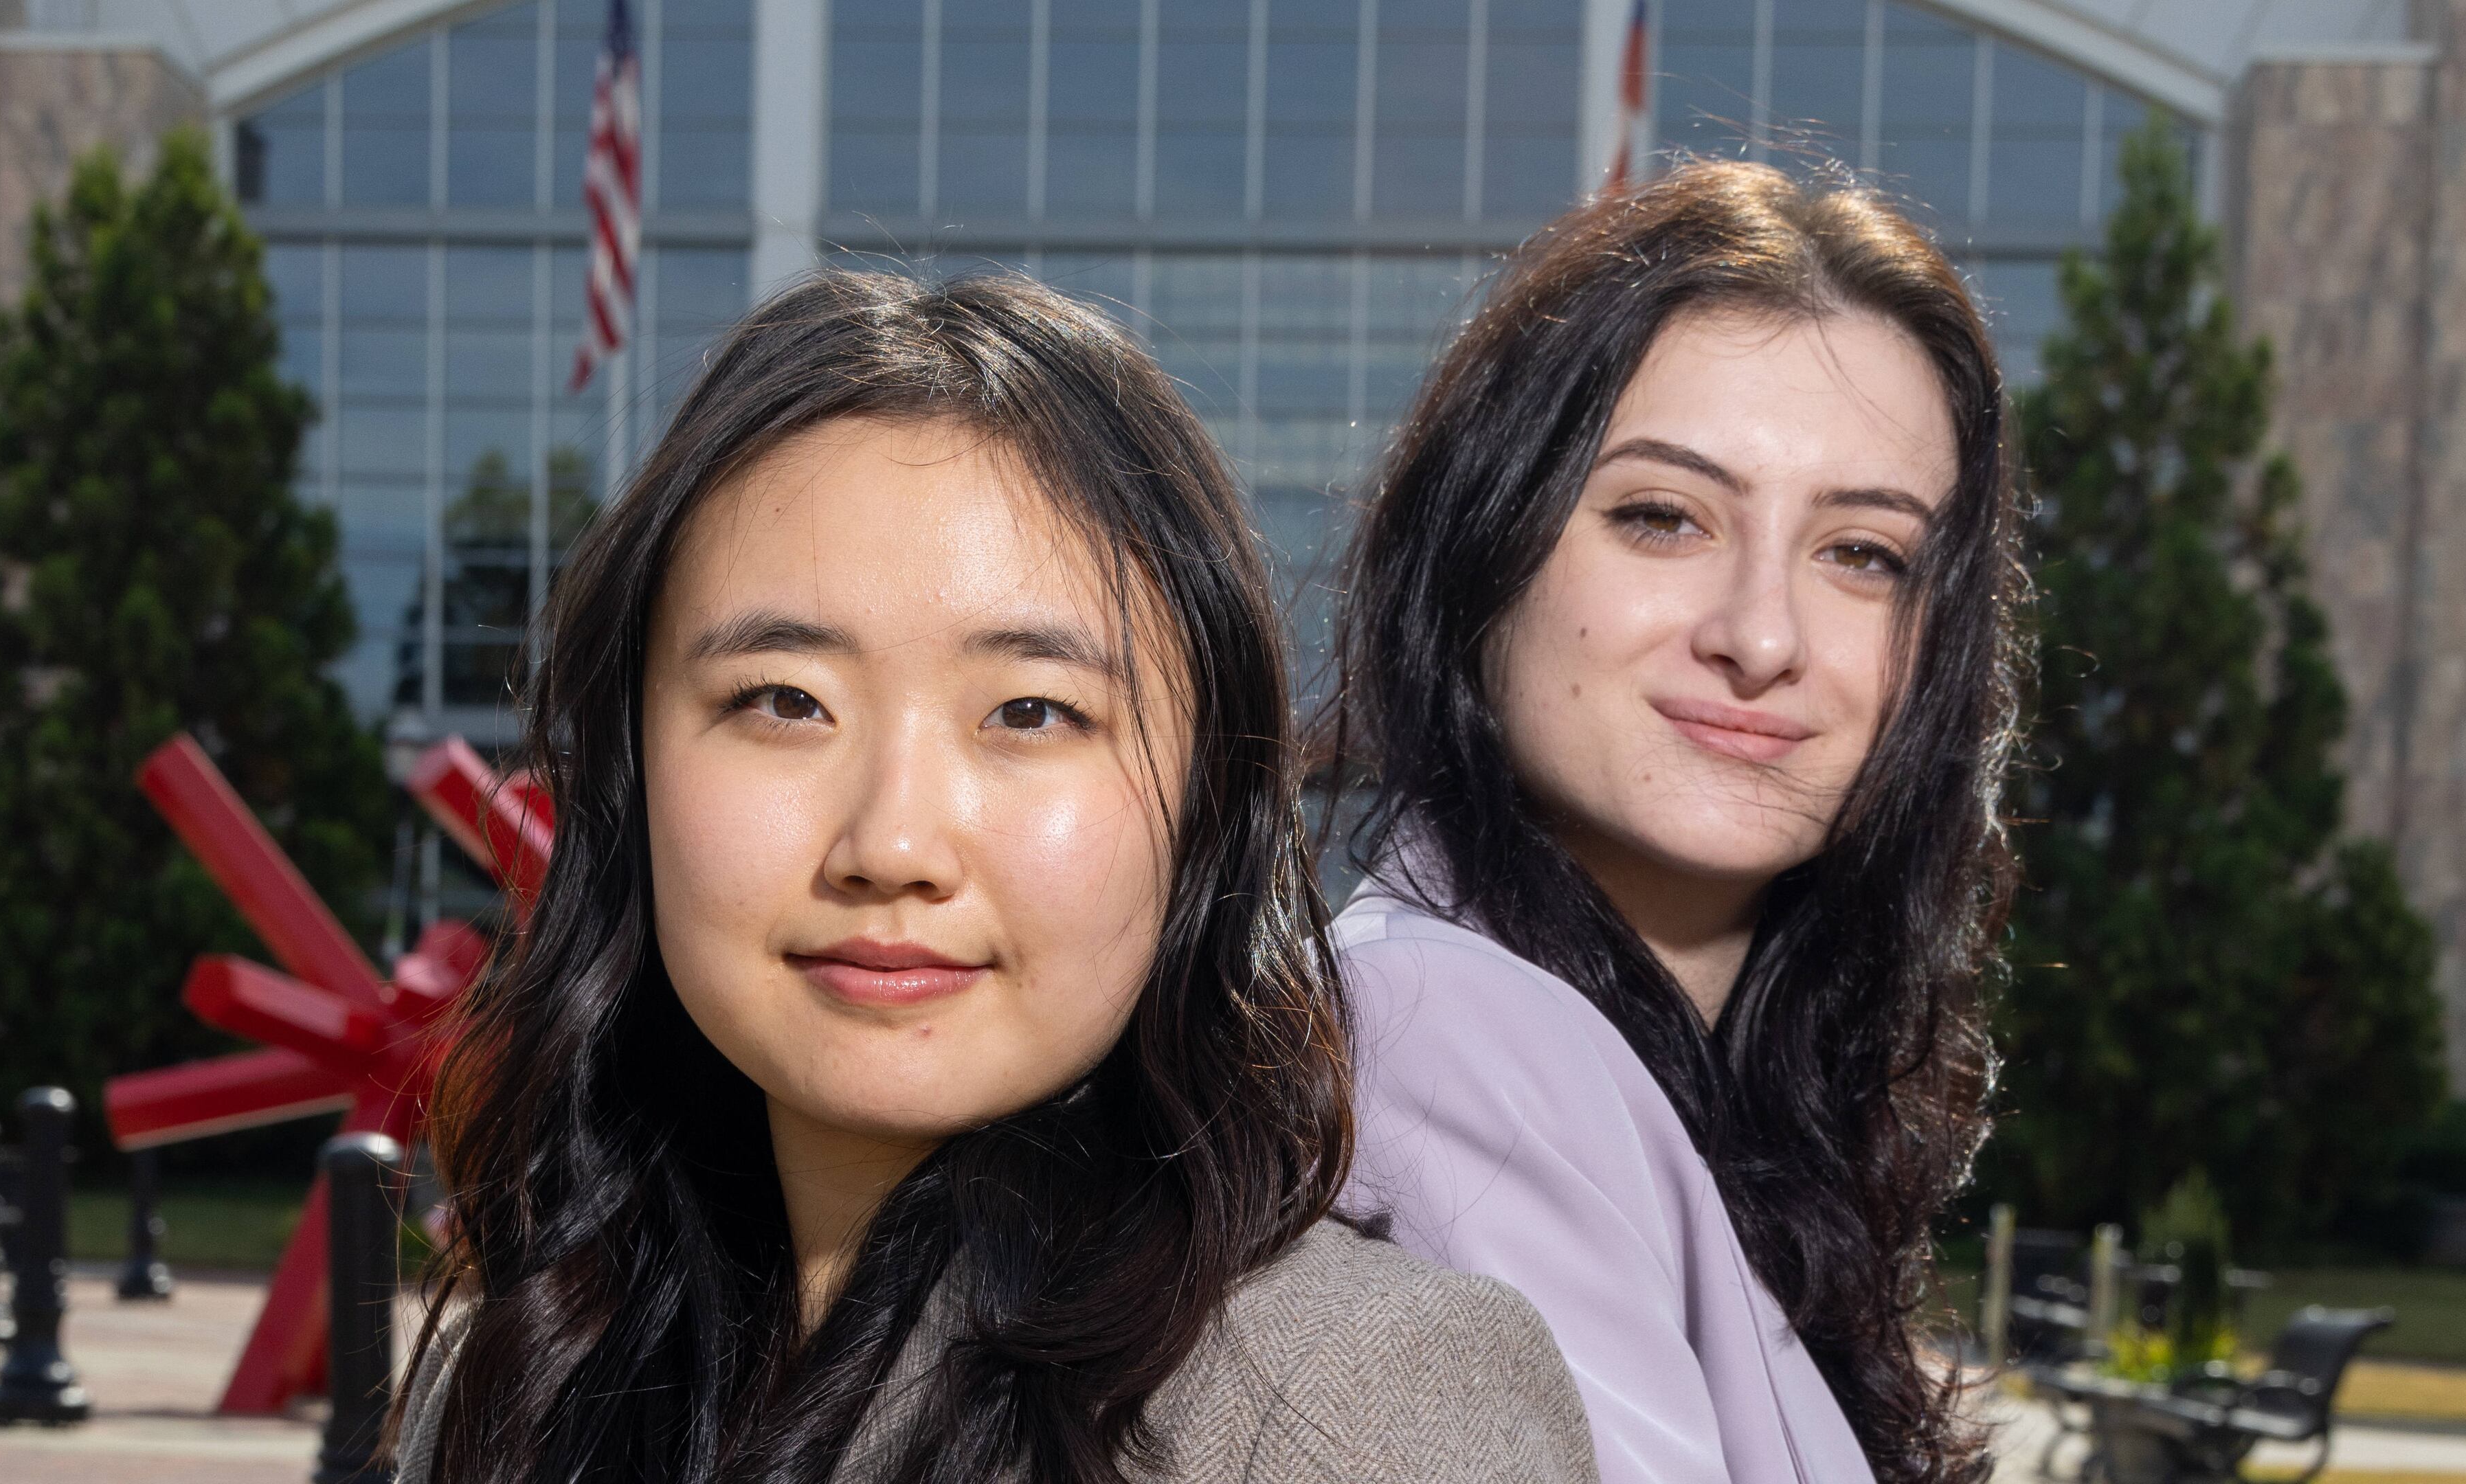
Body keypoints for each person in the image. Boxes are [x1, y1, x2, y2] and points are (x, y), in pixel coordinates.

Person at [389, 270, 1598, 1484]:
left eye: (1031, 712)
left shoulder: (1361, 1406)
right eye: (783, 701)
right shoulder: (532, 1364)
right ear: (631, 770)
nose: (893, 846)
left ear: (1205, 803)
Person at [1327, 160, 2020, 1484]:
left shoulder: (1730, 1087)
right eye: (1662, 517)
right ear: (1486, 550)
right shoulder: (1441, 1028)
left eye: (1863, 554)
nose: (1760, 636)